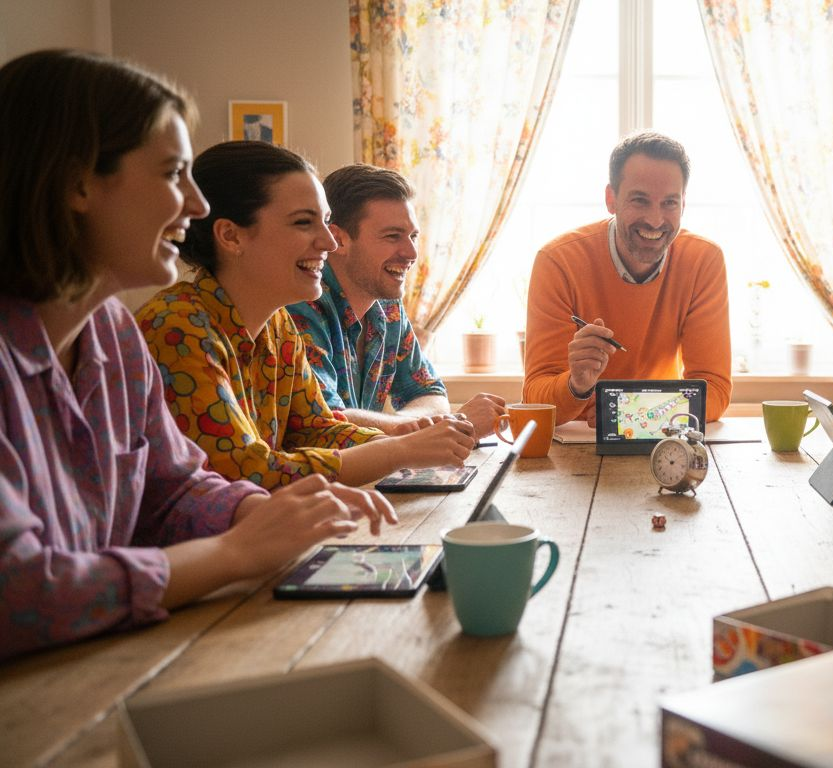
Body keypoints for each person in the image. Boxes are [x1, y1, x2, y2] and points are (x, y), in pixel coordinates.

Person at [0, 50, 394, 659]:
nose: (199, 205)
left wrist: (266, 514)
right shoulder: (166, 324)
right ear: (77, 181)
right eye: (172, 174)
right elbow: (19, 594)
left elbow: (174, 488)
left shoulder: (111, 333)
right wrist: (236, 552)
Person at [137, 141, 476, 489]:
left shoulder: (277, 325)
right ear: (231, 236)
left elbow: (316, 429)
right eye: (304, 222)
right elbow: (246, 473)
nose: (330, 242)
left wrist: (407, 446)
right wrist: (399, 451)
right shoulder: (177, 327)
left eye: (327, 222)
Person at [524, 132, 731, 425]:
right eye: (640, 200)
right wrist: (577, 385)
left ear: (683, 204)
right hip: (578, 443)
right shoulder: (558, 261)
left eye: (669, 203)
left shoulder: (703, 260)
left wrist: (622, 413)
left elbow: (715, 391)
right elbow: (535, 398)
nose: (656, 220)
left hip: (662, 440)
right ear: (611, 199)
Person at [287, 164, 505, 440]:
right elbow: (328, 420)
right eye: (392, 236)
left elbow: (429, 392)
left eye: (412, 236)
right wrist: (435, 427)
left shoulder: (388, 309)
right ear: (338, 239)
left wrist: (411, 428)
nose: (411, 252)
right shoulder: (300, 306)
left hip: (367, 476)